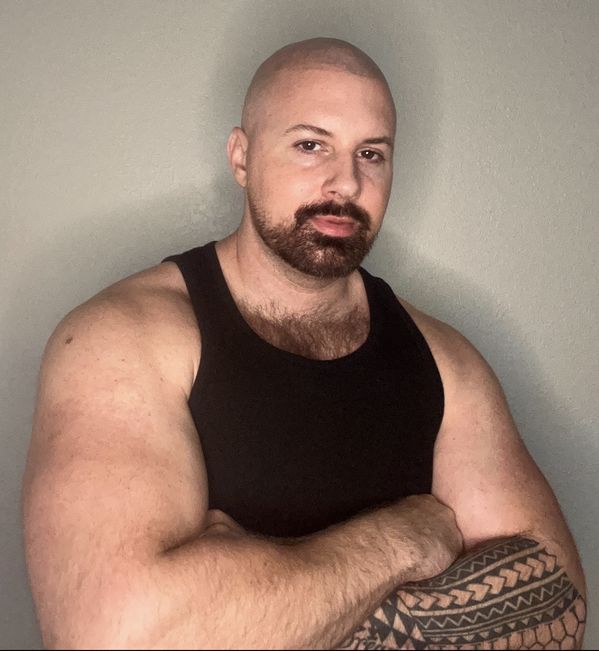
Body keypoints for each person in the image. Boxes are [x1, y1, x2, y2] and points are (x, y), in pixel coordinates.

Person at [22, 37, 586, 650]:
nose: (346, 181)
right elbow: (113, 637)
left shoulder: (446, 361)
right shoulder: (120, 338)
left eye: (371, 153)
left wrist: (247, 606)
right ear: (242, 157)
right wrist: (404, 540)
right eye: (311, 145)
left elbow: (558, 608)